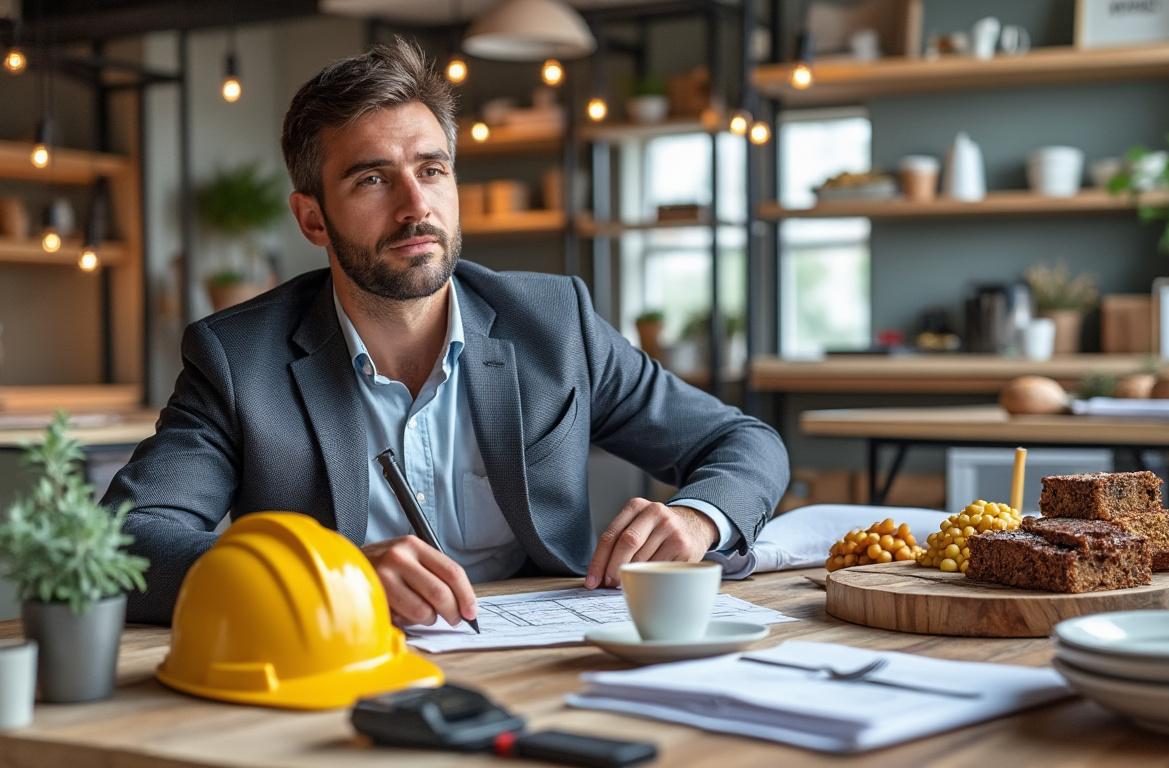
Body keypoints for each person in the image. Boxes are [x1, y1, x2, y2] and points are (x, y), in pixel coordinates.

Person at [104, 38, 789, 627]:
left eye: (432, 170)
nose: (415, 206)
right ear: (312, 220)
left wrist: (700, 517)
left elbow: (742, 441)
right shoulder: (238, 360)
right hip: (345, 675)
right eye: (373, 180)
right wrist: (326, 574)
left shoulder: (555, 323)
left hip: (548, 659)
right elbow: (127, 543)